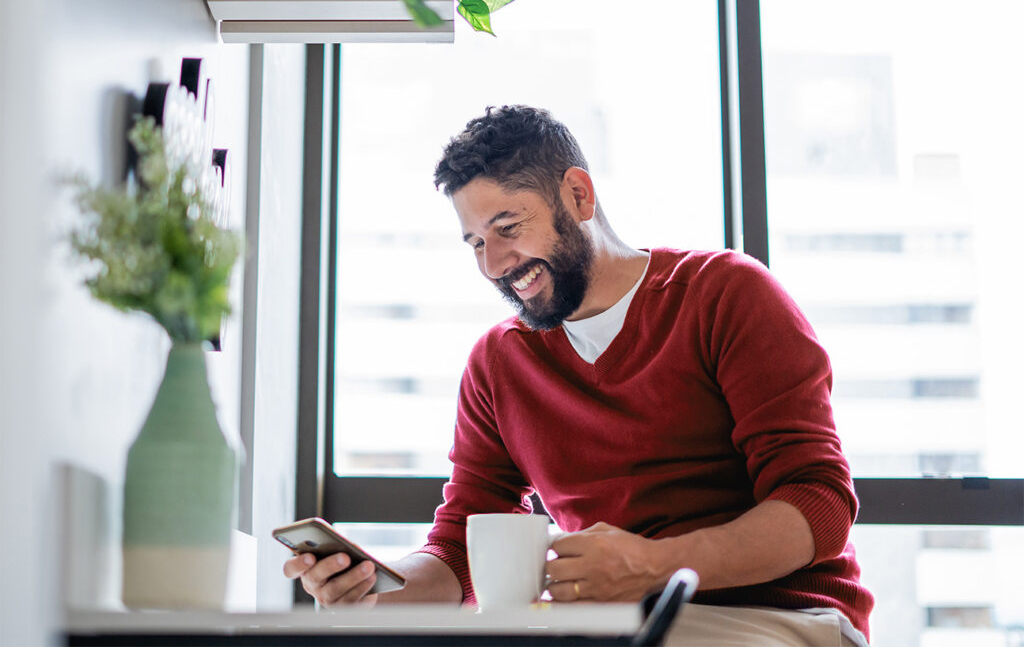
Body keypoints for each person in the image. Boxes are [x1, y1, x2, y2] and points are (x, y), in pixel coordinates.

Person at [285, 105, 875, 646]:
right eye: (475, 243)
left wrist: (653, 565)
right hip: (610, 627)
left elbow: (817, 502)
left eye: (508, 228)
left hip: (784, 619)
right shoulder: (500, 364)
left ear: (578, 194)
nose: (493, 265)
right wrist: (374, 590)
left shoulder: (725, 296)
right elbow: (462, 548)